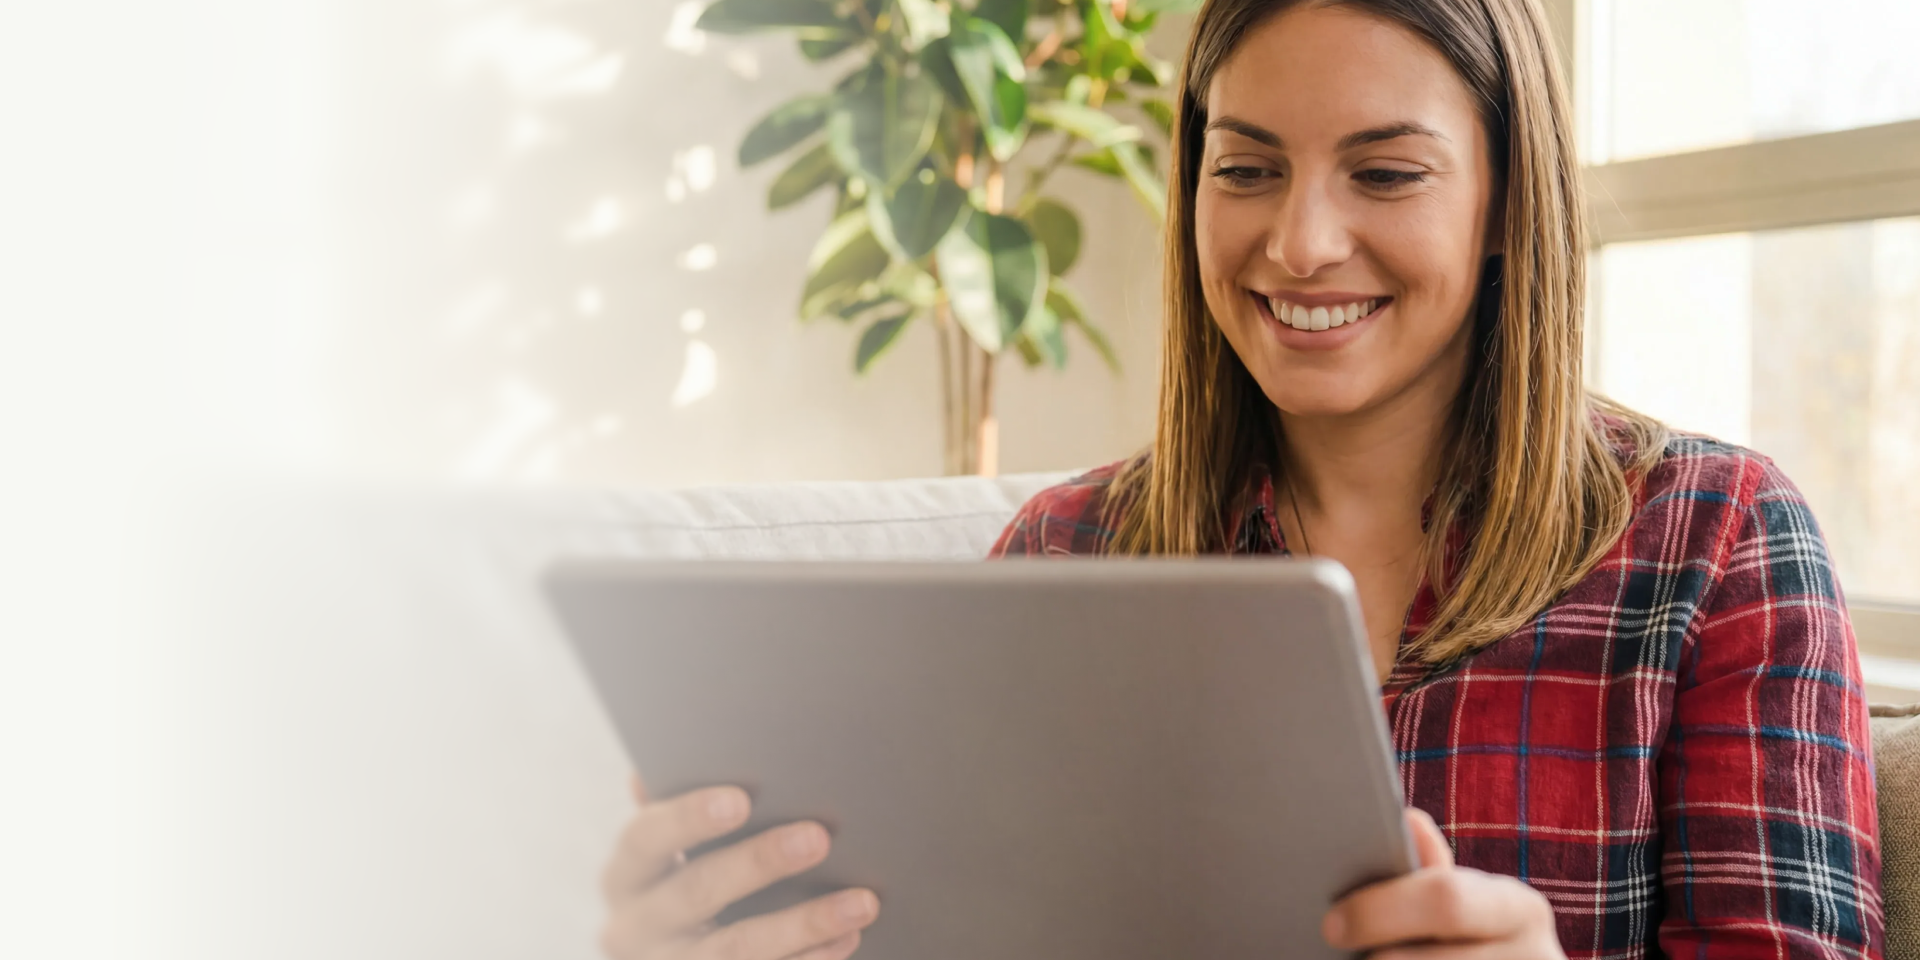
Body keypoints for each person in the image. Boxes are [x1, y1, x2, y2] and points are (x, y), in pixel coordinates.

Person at [593, 1, 1886, 958]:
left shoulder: (1716, 543)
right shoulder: (1067, 555)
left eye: (1385, 173)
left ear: (1508, 202)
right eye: (1246, 168)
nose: (1300, 242)